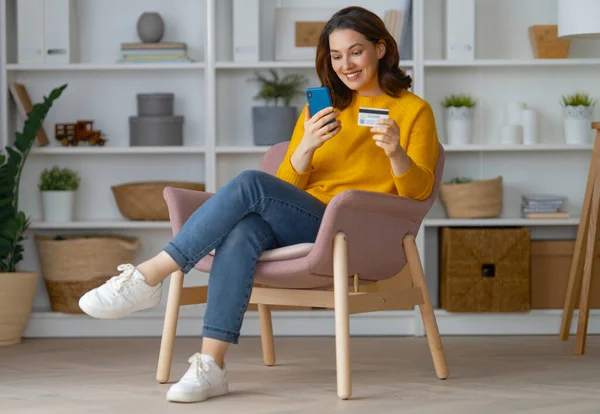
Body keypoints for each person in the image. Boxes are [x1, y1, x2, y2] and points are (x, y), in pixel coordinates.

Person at [78, 5, 439, 404]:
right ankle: (211, 365)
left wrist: (396, 155)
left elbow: (417, 194)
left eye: (356, 51)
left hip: (352, 228)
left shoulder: (413, 110)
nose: (346, 65)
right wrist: (305, 148)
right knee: (245, 228)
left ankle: (149, 276)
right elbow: (284, 186)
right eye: (336, 56)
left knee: (250, 182)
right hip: (306, 219)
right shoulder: (323, 107)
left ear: (381, 48)